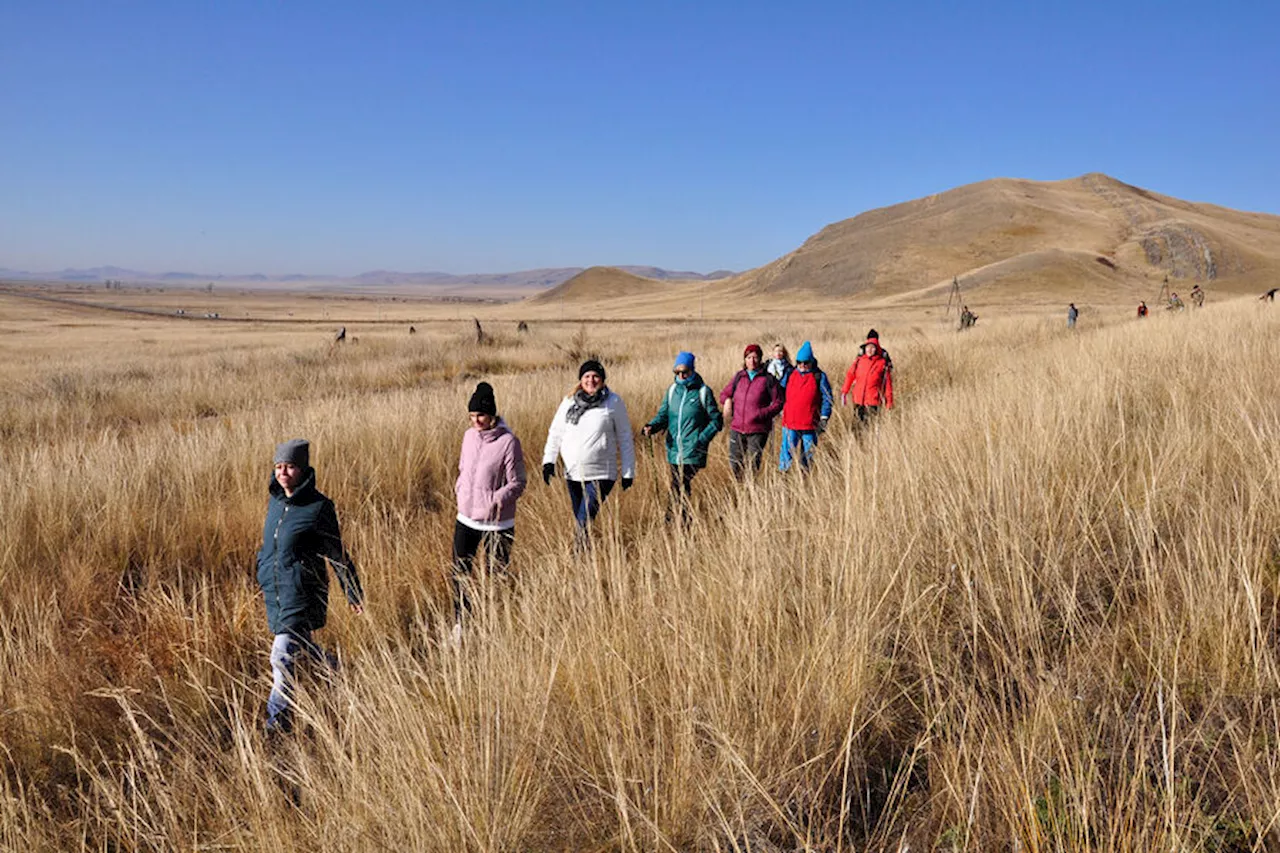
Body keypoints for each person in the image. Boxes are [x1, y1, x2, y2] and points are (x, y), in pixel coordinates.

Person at [255, 439, 363, 735]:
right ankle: (332, 667)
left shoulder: (318, 507)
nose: (283, 473)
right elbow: (270, 545)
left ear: (303, 469)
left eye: (289, 467)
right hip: (275, 591)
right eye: (278, 466)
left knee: (280, 656)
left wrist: (352, 591)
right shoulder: (275, 501)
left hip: (301, 593)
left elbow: (337, 554)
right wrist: (261, 568)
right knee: (298, 645)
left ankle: (277, 724)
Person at [452, 382, 526, 636]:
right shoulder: (468, 436)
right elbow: (464, 468)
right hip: (466, 518)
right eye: (472, 416)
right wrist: (460, 488)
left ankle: (493, 625)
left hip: (497, 523)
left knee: (495, 579)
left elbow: (518, 483)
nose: (476, 421)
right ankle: (461, 624)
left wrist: (495, 500)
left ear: (492, 414)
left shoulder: (508, 442)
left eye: (480, 415)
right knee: (460, 573)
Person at [542, 360, 636, 548]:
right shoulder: (569, 401)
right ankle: (588, 557)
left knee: (583, 522)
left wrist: (628, 472)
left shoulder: (613, 402)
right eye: (586, 376)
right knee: (580, 519)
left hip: (602, 474)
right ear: (580, 379)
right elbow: (556, 432)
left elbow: (625, 437)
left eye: (595, 376)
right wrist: (548, 461)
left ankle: (578, 558)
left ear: (602, 379)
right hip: (573, 472)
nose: (591, 380)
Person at [642, 351, 723, 521]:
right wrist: (652, 426)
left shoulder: (703, 392)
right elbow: (663, 415)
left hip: (693, 449)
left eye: (684, 371)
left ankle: (675, 519)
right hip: (674, 449)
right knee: (678, 483)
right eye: (677, 372)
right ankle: (680, 518)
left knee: (679, 482)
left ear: (692, 370)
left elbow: (716, 421)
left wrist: (700, 440)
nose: (681, 375)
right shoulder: (672, 391)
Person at [719, 344, 784, 479]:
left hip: (757, 430)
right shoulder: (739, 377)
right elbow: (724, 393)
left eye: (755, 357)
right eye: (749, 357)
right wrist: (727, 401)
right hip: (737, 429)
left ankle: (751, 492)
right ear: (745, 359)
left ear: (760, 359)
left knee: (752, 465)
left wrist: (762, 414)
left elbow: (779, 402)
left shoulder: (768, 379)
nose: (752, 361)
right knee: (735, 464)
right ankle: (740, 488)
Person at [778, 341, 833, 472]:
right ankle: (783, 478)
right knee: (786, 455)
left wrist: (824, 418)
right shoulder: (790, 374)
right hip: (790, 423)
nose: (802, 365)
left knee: (807, 456)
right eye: (799, 362)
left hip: (810, 424)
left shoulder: (819, 376)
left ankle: (805, 480)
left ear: (811, 362)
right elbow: (780, 392)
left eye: (805, 362)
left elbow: (827, 398)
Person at [841, 331, 894, 425]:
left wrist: (889, 402)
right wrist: (844, 392)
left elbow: (888, 385)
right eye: (868, 347)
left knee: (871, 428)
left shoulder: (882, 364)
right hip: (858, 401)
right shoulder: (859, 361)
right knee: (857, 428)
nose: (870, 350)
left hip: (873, 402)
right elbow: (850, 375)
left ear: (877, 349)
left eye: (873, 347)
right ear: (864, 348)